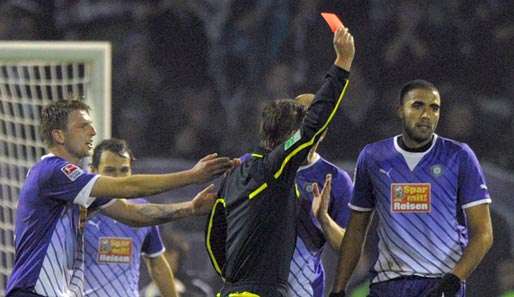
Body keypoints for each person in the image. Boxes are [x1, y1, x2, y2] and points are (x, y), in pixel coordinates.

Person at [7, 99, 234, 297]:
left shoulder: (73, 187)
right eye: (83, 126)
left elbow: (134, 214)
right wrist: (191, 176)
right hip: (32, 291)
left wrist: (190, 208)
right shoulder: (53, 171)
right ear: (59, 135)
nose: (93, 132)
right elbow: (129, 188)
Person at [205, 25, 355, 297]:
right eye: (305, 120)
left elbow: (214, 235)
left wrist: (234, 278)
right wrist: (343, 64)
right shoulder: (275, 168)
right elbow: (311, 127)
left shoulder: (240, 171)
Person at [329, 80, 493, 297]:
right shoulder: (373, 157)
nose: (426, 114)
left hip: (439, 283)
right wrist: (339, 288)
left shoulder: (459, 156)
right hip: (387, 285)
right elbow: (356, 230)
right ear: (400, 110)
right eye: (418, 105)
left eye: (434, 108)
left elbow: (483, 233)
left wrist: (453, 279)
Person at [84, 138, 176, 297]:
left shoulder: (141, 211)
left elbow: (157, 265)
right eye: (110, 170)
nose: (119, 178)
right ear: (93, 171)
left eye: (124, 170)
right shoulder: (78, 210)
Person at [285, 93, 353, 297]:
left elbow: (348, 248)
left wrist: (323, 219)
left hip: (304, 289)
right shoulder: (259, 165)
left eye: (314, 120)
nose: (305, 127)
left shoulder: (337, 180)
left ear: (324, 131)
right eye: (299, 120)